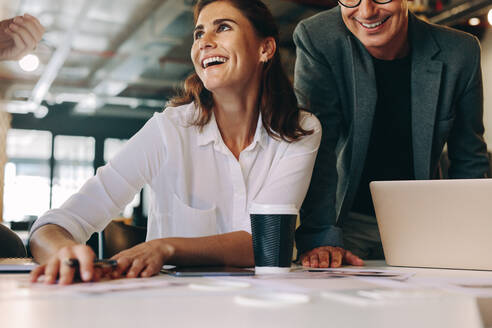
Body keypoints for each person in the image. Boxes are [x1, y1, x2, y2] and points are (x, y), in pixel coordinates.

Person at [29, 0, 321, 285]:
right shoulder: (167, 130)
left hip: (267, 305)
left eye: (223, 28)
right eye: (198, 33)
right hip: (174, 309)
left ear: (265, 48)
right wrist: (61, 251)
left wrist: (166, 247)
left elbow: (264, 243)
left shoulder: (300, 131)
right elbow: (55, 225)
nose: (204, 42)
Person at [294, 0, 489, 268]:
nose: (366, 12)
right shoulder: (319, 38)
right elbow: (318, 145)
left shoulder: (459, 52)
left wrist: (469, 236)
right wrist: (319, 234)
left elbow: (469, 157)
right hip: (344, 221)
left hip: (426, 223)